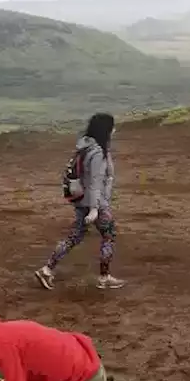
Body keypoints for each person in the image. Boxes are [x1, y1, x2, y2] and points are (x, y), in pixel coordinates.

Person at [35, 113, 124, 290]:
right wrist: (94, 209)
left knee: (75, 236)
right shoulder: (97, 153)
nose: (114, 130)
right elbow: (95, 182)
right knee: (109, 235)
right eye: (112, 127)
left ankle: (47, 269)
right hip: (94, 202)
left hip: (81, 200)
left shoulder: (86, 147)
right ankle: (104, 277)